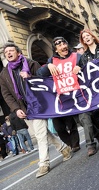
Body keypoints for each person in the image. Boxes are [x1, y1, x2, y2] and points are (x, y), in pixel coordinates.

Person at [0, 42, 72, 178]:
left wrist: (30, 77)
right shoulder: (4, 74)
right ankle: (64, 148)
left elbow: (44, 80)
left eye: (11, 51)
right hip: (24, 108)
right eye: (6, 52)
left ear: (18, 53)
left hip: (38, 103)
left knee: (39, 133)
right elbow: (6, 95)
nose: (8, 53)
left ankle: (44, 163)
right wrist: (16, 109)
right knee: (43, 132)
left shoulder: (31, 64)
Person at [36, 37, 81, 154]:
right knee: (59, 128)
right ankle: (70, 143)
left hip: (71, 94)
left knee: (72, 123)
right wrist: (48, 66)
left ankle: (75, 144)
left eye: (64, 43)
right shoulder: (52, 60)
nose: (62, 46)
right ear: (56, 49)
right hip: (56, 98)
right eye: (58, 45)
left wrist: (79, 67)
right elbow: (39, 74)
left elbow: (84, 65)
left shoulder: (75, 56)